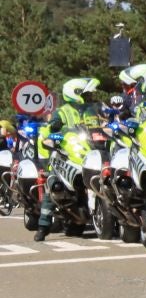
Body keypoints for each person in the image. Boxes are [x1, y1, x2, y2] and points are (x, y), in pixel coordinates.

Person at [33, 76, 100, 240]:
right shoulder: (62, 111)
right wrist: (55, 127)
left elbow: (97, 125)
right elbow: (53, 125)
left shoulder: (90, 110)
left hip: (87, 149)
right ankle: (43, 226)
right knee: (53, 185)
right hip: (65, 151)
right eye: (86, 94)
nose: (89, 97)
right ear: (75, 94)